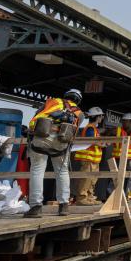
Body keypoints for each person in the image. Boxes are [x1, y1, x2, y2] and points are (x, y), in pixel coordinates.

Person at [26, 88, 83, 217]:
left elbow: (37, 116)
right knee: (62, 171)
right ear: (78, 100)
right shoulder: (80, 113)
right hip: (61, 141)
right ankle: (63, 206)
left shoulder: (52, 101)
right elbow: (74, 131)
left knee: (37, 170)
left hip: (43, 135)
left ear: (66, 96)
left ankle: (35, 207)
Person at [71, 107, 104, 205]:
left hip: (94, 159)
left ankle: (89, 197)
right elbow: (91, 141)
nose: (102, 118)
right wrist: (101, 144)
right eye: (101, 116)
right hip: (88, 159)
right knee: (85, 179)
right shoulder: (90, 128)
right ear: (97, 117)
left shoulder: (93, 128)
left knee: (92, 180)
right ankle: (81, 198)